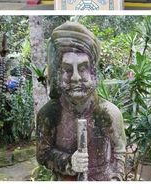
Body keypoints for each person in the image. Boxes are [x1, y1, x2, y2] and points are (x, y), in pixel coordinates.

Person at [36, 22, 126, 181]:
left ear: (93, 73)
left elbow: (120, 153)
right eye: (68, 70)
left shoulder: (110, 113)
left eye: (83, 68)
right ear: (59, 74)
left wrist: (116, 178)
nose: (76, 77)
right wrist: (68, 162)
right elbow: (43, 154)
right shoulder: (50, 114)